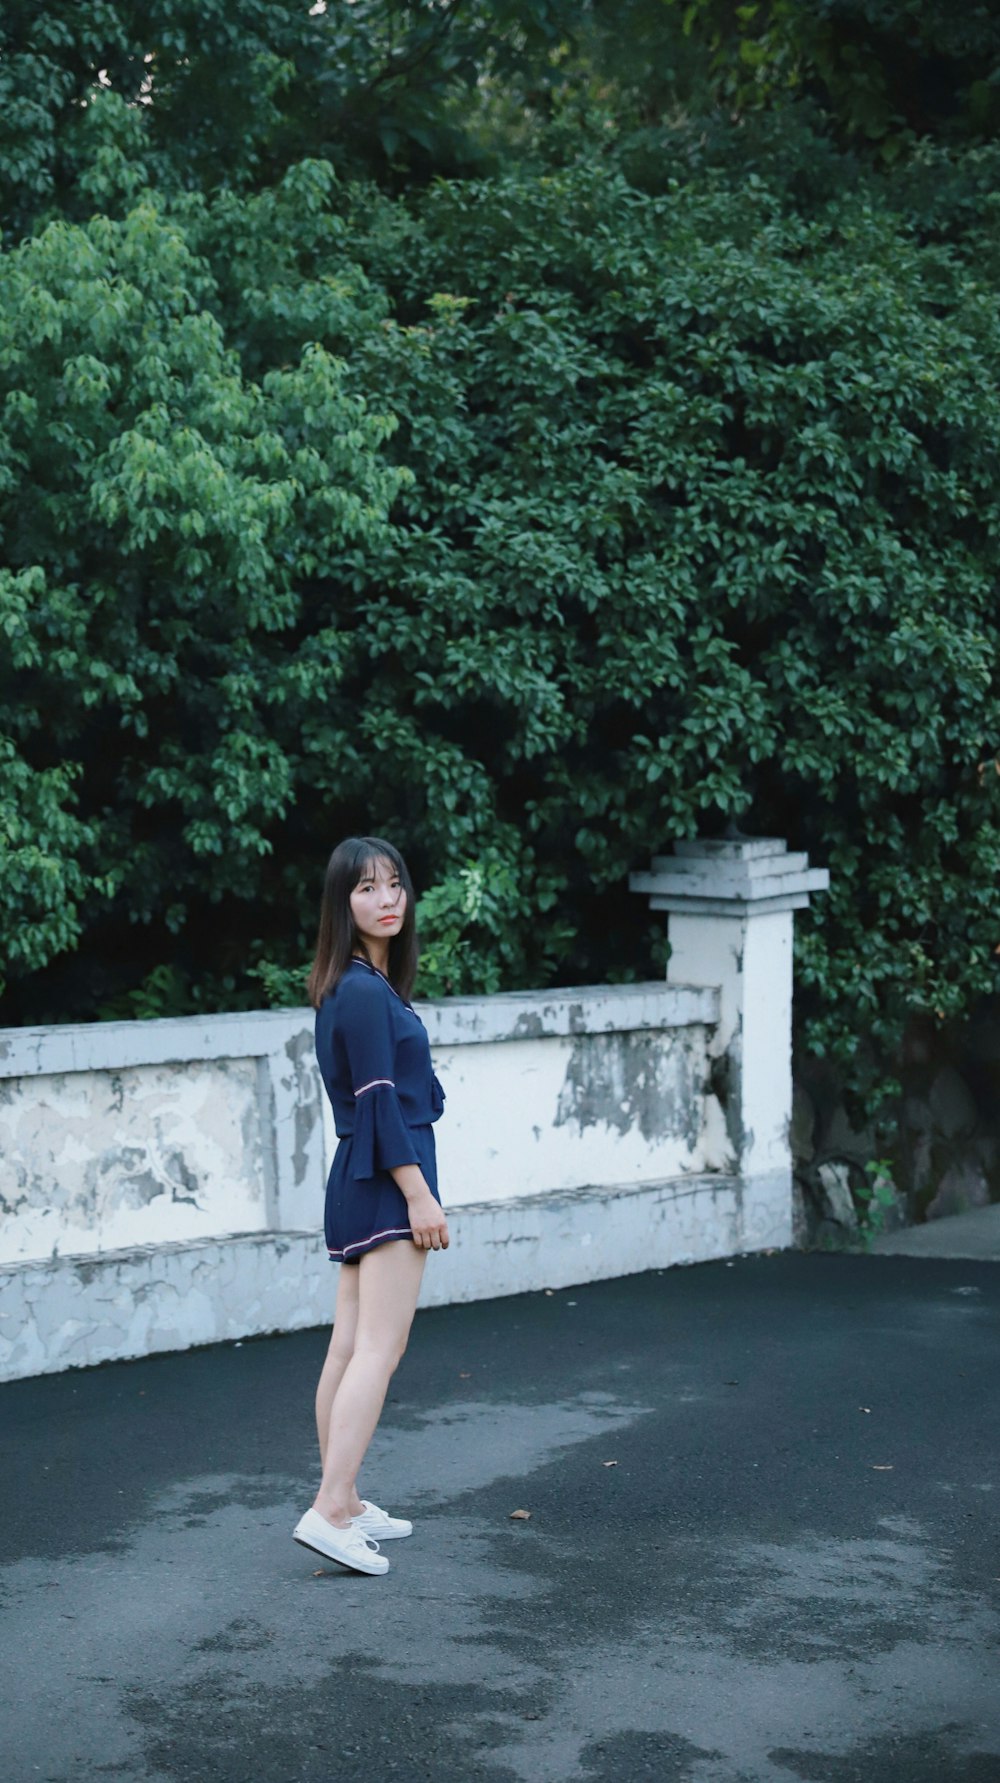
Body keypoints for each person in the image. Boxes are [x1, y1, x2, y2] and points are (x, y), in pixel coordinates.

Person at [292, 836, 449, 1576]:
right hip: (387, 1177)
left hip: (358, 1174)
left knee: (350, 1347)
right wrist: (420, 1194)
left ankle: (345, 1498)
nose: (387, 898)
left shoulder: (351, 985)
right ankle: (328, 1508)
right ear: (341, 903)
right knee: (378, 1350)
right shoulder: (359, 989)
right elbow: (380, 1101)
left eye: (394, 884)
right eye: (367, 888)